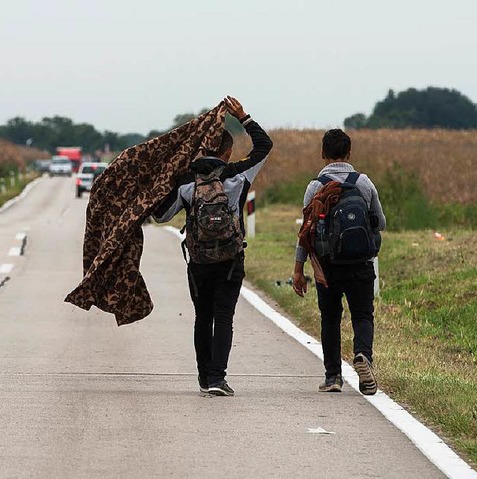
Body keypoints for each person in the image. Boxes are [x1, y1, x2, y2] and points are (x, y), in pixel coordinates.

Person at [153, 96, 273, 396]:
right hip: (231, 260)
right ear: (228, 151)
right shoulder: (237, 175)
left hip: (199, 263)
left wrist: (162, 180)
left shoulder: (186, 184)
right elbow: (264, 147)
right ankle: (218, 378)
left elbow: (160, 216)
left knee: (202, 318)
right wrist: (243, 117)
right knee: (224, 317)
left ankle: (205, 378)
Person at [292, 129, 386, 395]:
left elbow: (305, 232)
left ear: (323, 154)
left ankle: (333, 376)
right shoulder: (364, 182)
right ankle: (362, 356)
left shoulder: (315, 186)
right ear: (349, 153)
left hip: (327, 266)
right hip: (360, 264)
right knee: (363, 315)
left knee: (330, 318)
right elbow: (382, 222)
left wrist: (298, 269)